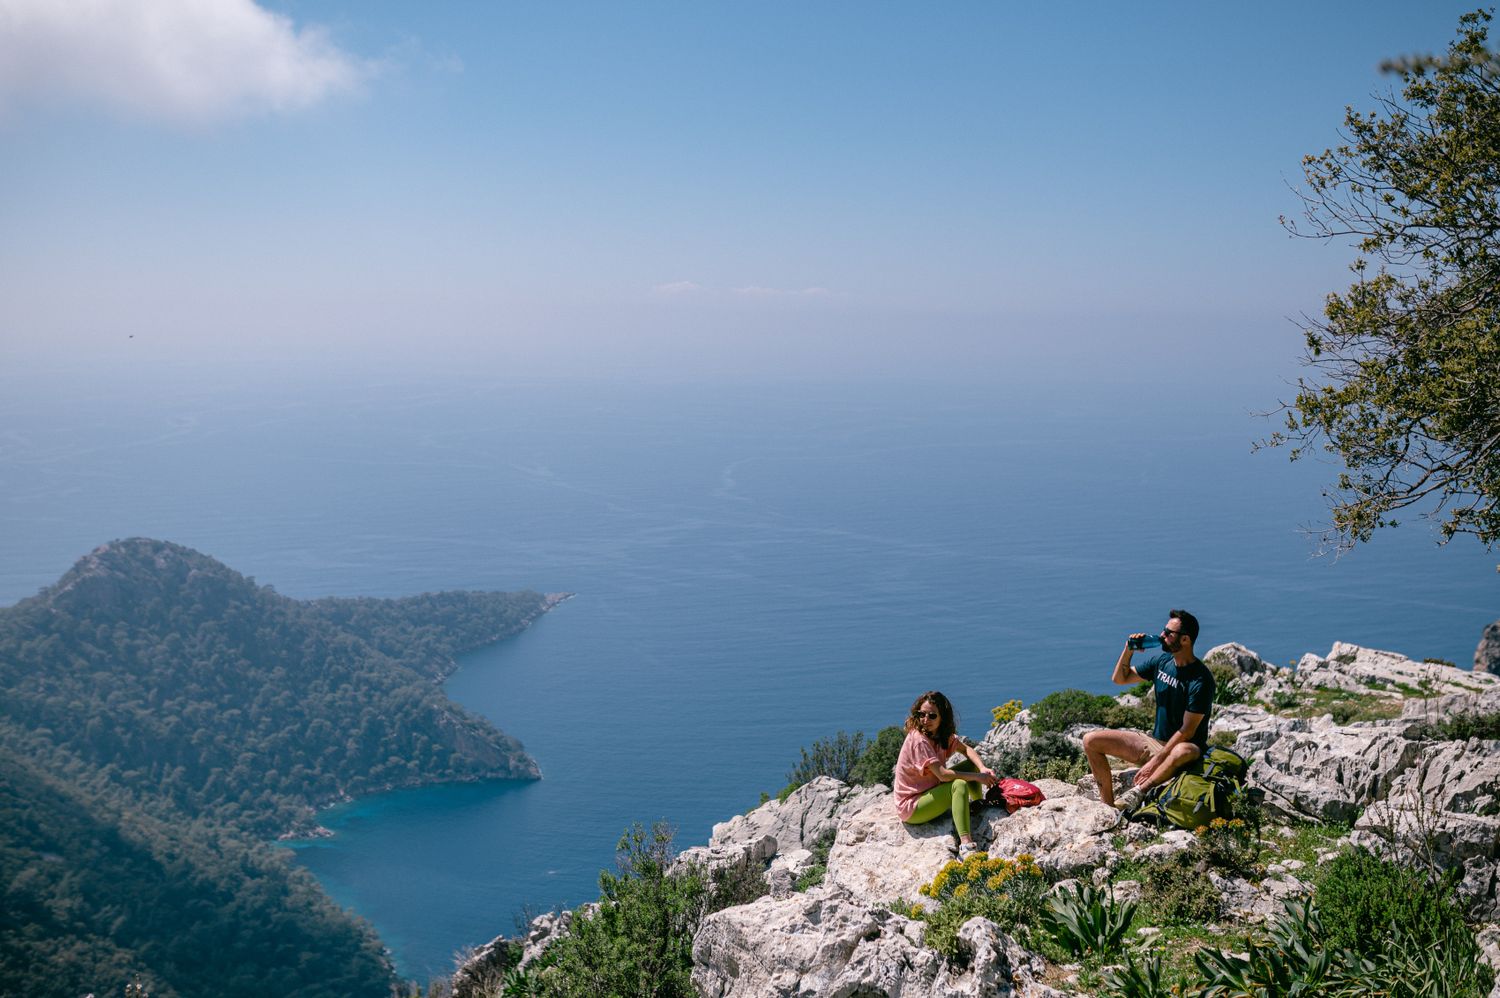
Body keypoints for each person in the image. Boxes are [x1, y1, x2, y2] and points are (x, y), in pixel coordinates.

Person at [1082, 609, 1215, 815]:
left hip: (1185, 752)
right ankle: (1108, 807)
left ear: (1185, 639)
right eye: (1164, 630)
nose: (1162, 635)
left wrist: (1155, 761)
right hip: (1154, 743)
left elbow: (1187, 731)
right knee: (1091, 740)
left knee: (1183, 750)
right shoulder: (1162, 662)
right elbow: (1120, 679)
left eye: (1168, 633)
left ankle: (1138, 792)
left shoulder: (1200, 679)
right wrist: (1129, 649)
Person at [893, 690, 998, 858]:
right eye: (921, 714)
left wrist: (982, 768)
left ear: (942, 717)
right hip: (912, 806)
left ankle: (978, 804)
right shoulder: (919, 740)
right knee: (958, 785)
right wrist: (979, 778)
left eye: (932, 716)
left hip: (929, 791)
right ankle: (966, 844)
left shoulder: (940, 735)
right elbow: (942, 775)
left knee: (972, 765)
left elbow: (967, 750)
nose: (925, 720)